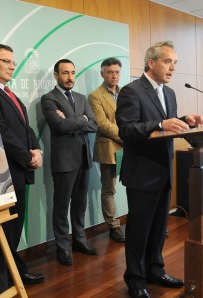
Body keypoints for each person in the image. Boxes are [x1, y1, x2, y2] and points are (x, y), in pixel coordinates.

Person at [115, 41, 203, 298]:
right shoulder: (131, 91)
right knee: (139, 230)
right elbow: (128, 130)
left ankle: (155, 270)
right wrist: (160, 122)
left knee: (159, 228)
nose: (173, 68)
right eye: (168, 62)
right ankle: (135, 279)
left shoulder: (169, 93)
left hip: (164, 170)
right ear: (151, 62)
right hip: (142, 174)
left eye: (175, 63)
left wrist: (186, 120)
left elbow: (166, 128)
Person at [0, 43, 45, 296]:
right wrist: (26, 157)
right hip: (0, 176)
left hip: (18, 172)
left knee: (14, 228)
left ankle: (13, 271)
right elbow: (0, 131)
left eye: (13, 62)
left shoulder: (9, 93)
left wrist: (36, 149)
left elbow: (25, 127)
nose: (12, 66)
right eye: (6, 61)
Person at [41, 59, 98, 266]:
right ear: (56, 75)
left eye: (73, 73)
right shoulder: (48, 99)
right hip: (64, 161)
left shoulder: (82, 98)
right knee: (61, 206)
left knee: (80, 204)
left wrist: (75, 121)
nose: (70, 77)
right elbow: (58, 126)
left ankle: (80, 241)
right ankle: (63, 247)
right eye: (65, 73)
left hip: (83, 157)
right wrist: (81, 120)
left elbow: (94, 124)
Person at [88, 58, 125, 242]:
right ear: (102, 74)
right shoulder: (95, 95)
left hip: (129, 148)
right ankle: (113, 226)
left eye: (117, 72)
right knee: (109, 190)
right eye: (110, 72)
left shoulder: (125, 92)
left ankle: (137, 222)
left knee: (135, 185)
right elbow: (102, 124)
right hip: (110, 147)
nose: (114, 75)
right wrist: (127, 135)